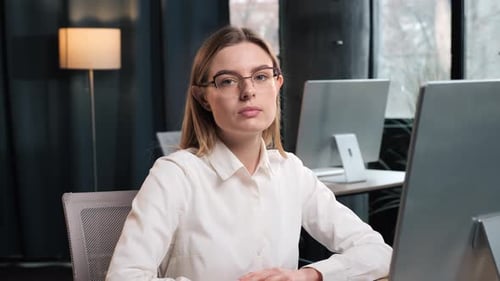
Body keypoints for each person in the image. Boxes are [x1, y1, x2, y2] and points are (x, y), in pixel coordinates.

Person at [106, 25, 392, 281]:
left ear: (277, 84)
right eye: (227, 80)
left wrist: (310, 275)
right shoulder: (176, 174)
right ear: (203, 97)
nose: (248, 91)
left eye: (261, 76)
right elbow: (124, 277)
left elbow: (380, 253)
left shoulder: (291, 171)